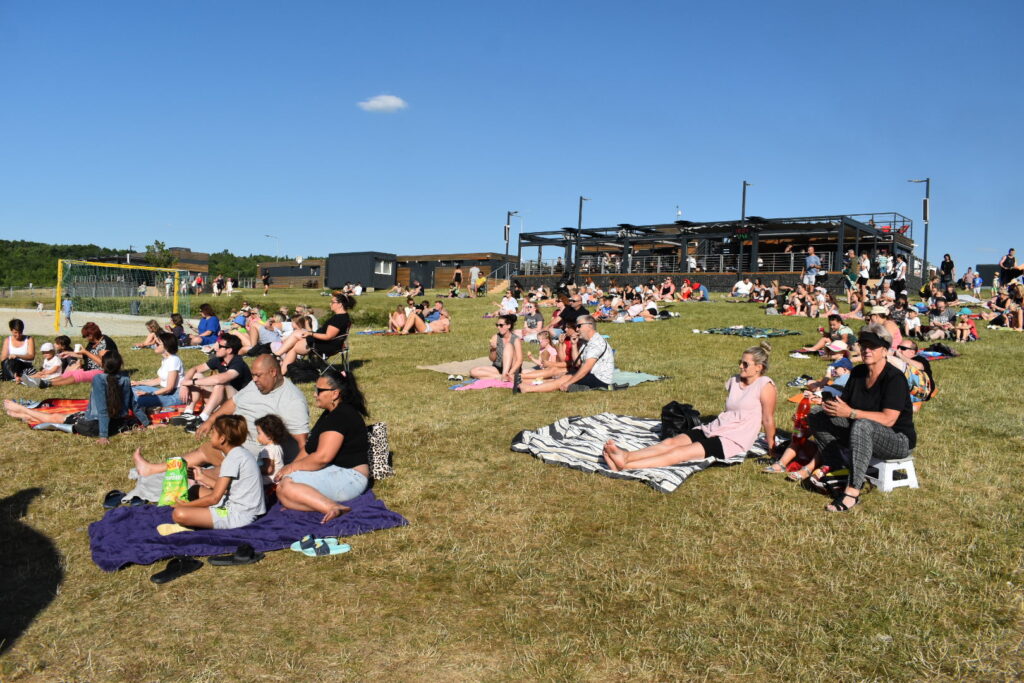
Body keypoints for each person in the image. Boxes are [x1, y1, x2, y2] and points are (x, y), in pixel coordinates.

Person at [603, 343, 777, 469]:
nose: (740, 366)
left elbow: (768, 419)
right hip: (717, 427)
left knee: (680, 453)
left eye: (745, 364)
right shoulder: (735, 380)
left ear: (758, 367)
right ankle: (627, 456)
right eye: (740, 361)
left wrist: (772, 446)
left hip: (735, 437)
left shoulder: (765, 386)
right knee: (670, 442)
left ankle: (626, 466)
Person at [134, 354, 310, 477]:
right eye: (253, 375)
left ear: (273, 372)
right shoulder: (257, 384)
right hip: (236, 443)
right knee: (203, 452)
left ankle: (192, 477)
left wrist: (289, 469)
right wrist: (211, 420)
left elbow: (303, 444)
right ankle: (155, 470)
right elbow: (233, 402)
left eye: (258, 375)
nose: (254, 379)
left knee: (218, 469)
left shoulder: (292, 399)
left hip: (256, 455)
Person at [808, 324, 916, 511]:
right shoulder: (858, 373)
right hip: (861, 431)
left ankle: (852, 492)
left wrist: (851, 413)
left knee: (862, 424)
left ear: (885, 350)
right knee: (817, 415)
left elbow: (889, 419)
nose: (866, 350)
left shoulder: (894, 379)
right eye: (864, 345)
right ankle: (837, 469)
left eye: (872, 346)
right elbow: (845, 404)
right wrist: (829, 405)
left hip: (897, 439)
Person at [274, 368, 371, 522]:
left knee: (285, 487)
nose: (315, 394)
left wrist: (291, 468)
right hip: (336, 470)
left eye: (319, 391)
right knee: (284, 487)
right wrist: (287, 470)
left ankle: (333, 507)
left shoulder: (341, 416)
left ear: (335, 393)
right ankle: (304, 500)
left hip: (351, 477)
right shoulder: (329, 414)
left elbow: (322, 458)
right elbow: (308, 450)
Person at [5, 351, 149, 444]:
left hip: (94, 426)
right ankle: (25, 415)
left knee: (55, 417)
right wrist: (146, 423)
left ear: (103, 365)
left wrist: (103, 436)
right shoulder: (125, 379)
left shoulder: (99, 379)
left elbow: (103, 410)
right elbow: (133, 405)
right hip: (116, 424)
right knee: (70, 415)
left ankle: (23, 410)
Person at [170, 415, 265, 530]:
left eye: (213, 432)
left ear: (222, 439)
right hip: (238, 504)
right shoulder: (239, 453)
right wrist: (202, 477)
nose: (210, 435)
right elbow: (225, 489)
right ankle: (199, 514)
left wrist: (186, 506)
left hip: (239, 514)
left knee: (179, 513)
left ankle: (197, 516)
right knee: (195, 490)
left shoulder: (233, 459)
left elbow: (214, 498)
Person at [519, 316, 613, 393]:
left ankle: (528, 388)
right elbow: (577, 363)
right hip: (590, 374)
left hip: (599, 379)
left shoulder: (596, 343)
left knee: (565, 378)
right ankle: (523, 381)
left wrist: (569, 382)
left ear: (589, 326)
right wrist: (574, 345)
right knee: (560, 375)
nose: (577, 329)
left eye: (579, 326)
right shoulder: (586, 342)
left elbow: (585, 368)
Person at [178, 333, 252, 426]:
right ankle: (188, 412)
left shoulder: (238, 363)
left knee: (221, 383)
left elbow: (220, 379)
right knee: (197, 375)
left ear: (229, 350)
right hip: (223, 401)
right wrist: (184, 384)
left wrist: (191, 382)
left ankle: (203, 418)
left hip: (240, 405)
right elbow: (195, 369)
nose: (216, 348)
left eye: (220, 346)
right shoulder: (219, 359)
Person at [23, 322, 117, 388]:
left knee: (79, 375)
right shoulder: (92, 343)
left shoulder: (106, 343)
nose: (85, 338)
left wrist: (86, 352)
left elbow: (105, 364)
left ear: (92, 334)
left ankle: (48, 384)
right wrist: (69, 353)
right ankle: (44, 381)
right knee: (70, 373)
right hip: (90, 368)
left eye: (86, 336)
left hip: (103, 371)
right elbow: (85, 356)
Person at [277, 292, 353, 373]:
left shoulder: (338, 319)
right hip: (327, 342)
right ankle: (278, 355)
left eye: (332, 302)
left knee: (294, 347)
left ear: (340, 304)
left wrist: (311, 334)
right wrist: (311, 333)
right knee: (297, 333)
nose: (330, 304)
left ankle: (281, 369)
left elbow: (328, 336)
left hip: (324, 345)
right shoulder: (343, 316)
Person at [130, 332, 186, 410]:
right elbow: (159, 380)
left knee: (139, 399)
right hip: (165, 392)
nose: (154, 346)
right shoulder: (166, 359)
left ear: (166, 346)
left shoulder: (173, 360)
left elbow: (169, 388)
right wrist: (139, 383)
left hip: (174, 396)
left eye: (157, 344)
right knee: (132, 389)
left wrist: (150, 394)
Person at [470, 314, 523, 381]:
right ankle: (501, 377)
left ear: (508, 326)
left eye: (501, 325)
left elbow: (519, 360)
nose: (498, 327)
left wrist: (510, 373)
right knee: (473, 371)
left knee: (508, 346)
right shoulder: (495, 337)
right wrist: (493, 349)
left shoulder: (515, 339)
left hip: (512, 368)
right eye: (497, 325)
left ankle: (505, 375)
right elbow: (492, 359)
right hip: (498, 368)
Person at [254, 414, 287, 485]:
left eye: (259, 433)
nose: (257, 436)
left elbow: (269, 469)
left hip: (267, 484)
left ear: (269, 436)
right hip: (277, 482)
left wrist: (254, 469)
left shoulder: (267, 449)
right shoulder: (278, 447)